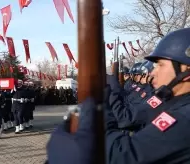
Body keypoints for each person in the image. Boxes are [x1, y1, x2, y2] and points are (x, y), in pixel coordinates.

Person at [46, 28, 190, 164]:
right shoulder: (175, 101)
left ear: (186, 71)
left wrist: (101, 103)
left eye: (161, 65)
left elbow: (121, 154)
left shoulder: (184, 116)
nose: (152, 73)